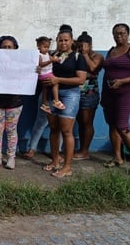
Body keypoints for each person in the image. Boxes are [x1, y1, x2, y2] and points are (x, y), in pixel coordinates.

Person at [42, 26, 87, 178]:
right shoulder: (52, 55)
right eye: (60, 40)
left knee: (67, 131)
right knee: (53, 129)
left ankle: (67, 167)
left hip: (70, 94)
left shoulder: (78, 57)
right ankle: (55, 161)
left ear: (72, 41)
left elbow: (81, 79)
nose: (62, 43)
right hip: (51, 95)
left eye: (66, 40)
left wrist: (58, 80)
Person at [101, 23, 130, 174]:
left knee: (122, 126)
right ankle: (117, 157)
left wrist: (122, 81)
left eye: (122, 33)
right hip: (109, 93)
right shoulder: (111, 51)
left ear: (128, 34)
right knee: (112, 125)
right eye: (116, 34)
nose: (119, 36)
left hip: (125, 93)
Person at [0, 36, 23, 169]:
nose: (7, 49)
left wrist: (35, 70)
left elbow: (29, 76)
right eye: (4, 47)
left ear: (15, 49)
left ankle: (11, 157)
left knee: (12, 130)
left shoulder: (22, 63)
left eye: (10, 47)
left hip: (15, 102)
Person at [74, 31, 104, 160]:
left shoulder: (97, 56)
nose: (81, 49)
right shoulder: (76, 55)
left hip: (89, 94)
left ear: (90, 45)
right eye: (79, 46)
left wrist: (85, 55)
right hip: (75, 92)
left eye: (84, 47)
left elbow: (93, 69)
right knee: (80, 122)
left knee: (87, 122)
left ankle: (85, 151)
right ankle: (81, 149)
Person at [37, 36, 63, 113]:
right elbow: (41, 64)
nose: (46, 49)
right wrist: (51, 61)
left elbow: (51, 57)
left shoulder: (46, 53)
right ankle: (56, 100)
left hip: (47, 73)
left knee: (45, 89)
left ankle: (44, 104)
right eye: (44, 47)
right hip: (45, 74)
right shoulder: (39, 55)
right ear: (38, 46)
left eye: (48, 47)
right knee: (56, 83)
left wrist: (56, 59)